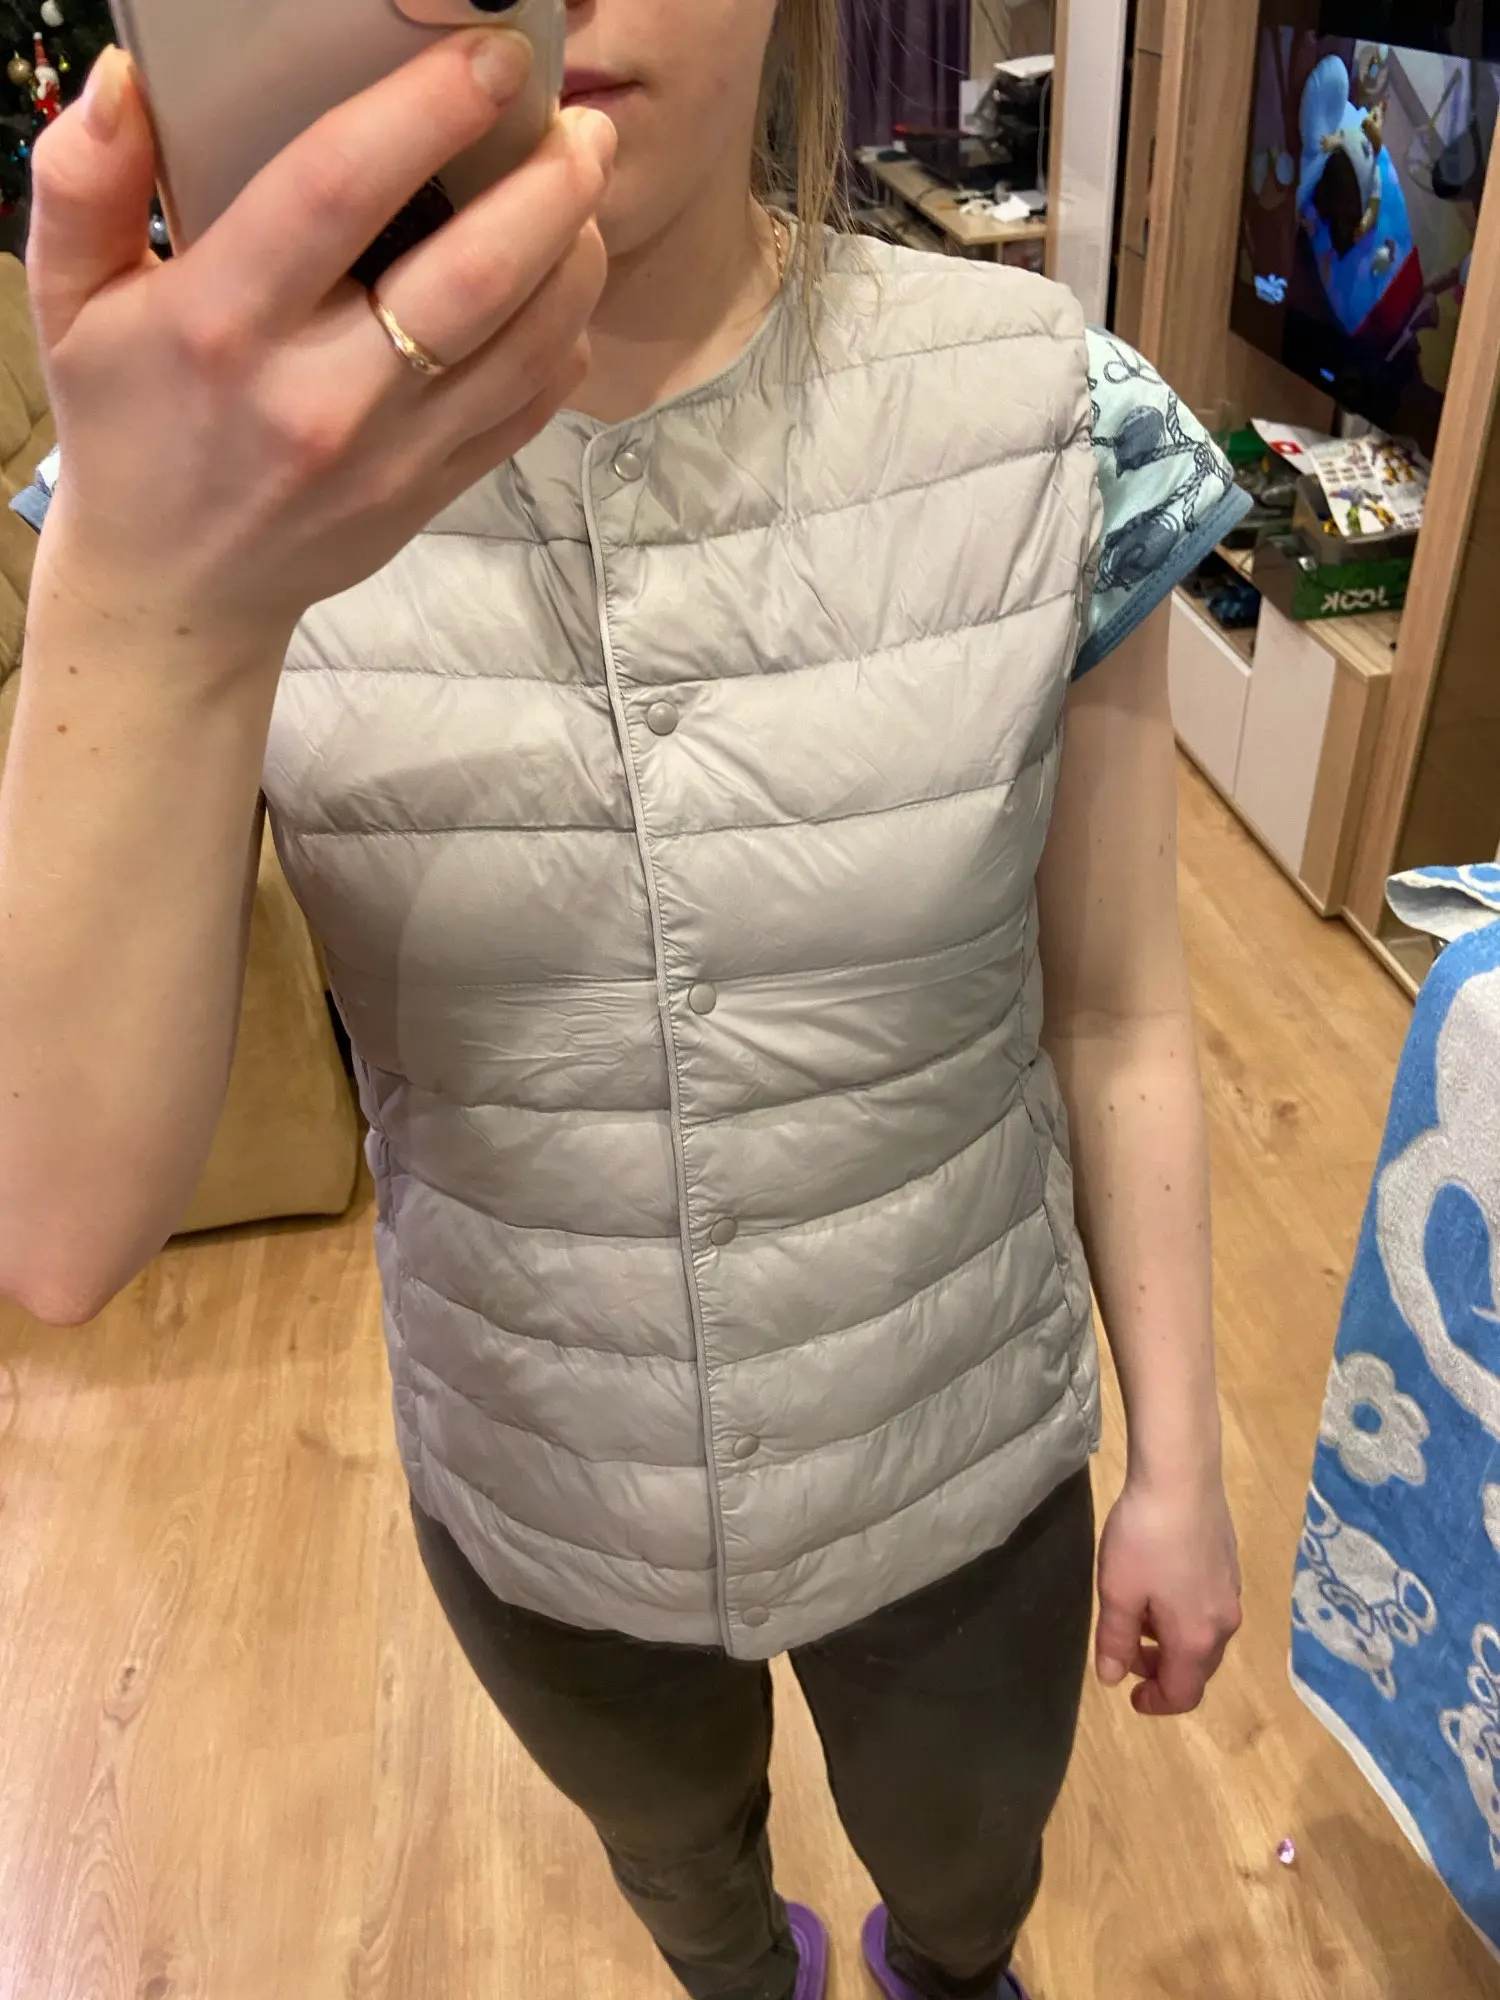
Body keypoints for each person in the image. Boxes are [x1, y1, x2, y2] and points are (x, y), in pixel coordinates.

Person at [0, 4, 1245, 1997]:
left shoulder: (1045, 415)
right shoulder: (208, 481)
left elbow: (1117, 1011)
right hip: (537, 1491)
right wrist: (149, 599)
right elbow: (54, 1223)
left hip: (962, 1465)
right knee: (682, 1876)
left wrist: (1180, 1462)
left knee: (967, 1877)